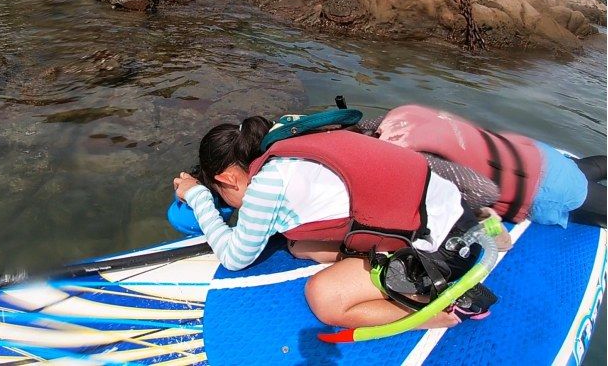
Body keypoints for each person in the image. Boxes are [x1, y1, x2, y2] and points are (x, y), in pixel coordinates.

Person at [173, 116, 497, 331]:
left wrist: (199, 198)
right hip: (452, 214)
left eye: (219, 191)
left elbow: (234, 257)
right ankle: (399, 269)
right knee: (301, 245)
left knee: (325, 297)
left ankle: (434, 310)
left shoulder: (266, 186)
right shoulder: (287, 142)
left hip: (440, 252)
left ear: (227, 179)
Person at [374, 105, 606, 229]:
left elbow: (485, 191)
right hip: (534, 152)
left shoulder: (412, 157)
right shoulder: (400, 114)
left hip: (545, 190)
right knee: (582, 169)